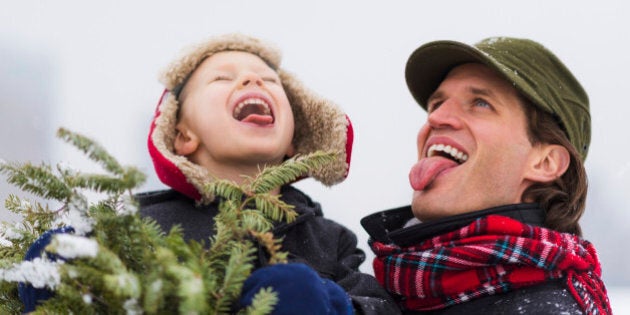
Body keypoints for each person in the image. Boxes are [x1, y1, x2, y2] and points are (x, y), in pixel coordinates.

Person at [19, 33, 398, 314]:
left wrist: (324, 302)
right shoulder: (143, 228)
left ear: (293, 143)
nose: (252, 81)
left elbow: (377, 306)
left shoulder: (329, 240)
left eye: (269, 80)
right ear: (183, 136)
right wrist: (64, 267)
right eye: (222, 78)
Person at [361, 37, 612, 314]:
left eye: (481, 103)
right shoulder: (391, 291)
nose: (436, 118)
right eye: (436, 104)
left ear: (545, 162)